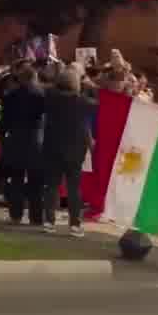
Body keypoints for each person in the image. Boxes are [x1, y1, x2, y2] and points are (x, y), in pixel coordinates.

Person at [42, 67, 94, 238]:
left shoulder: (50, 98)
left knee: (52, 186)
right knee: (74, 188)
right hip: (75, 150)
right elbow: (97, 102)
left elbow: (48, 89)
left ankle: (49, 222)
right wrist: (89, 84)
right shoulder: (83, 102)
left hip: (52, 147)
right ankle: (75, 225)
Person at [0, 62, 45, 225]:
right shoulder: (41, 95)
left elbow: (3, 122)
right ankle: (36, 216)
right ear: (34, 77)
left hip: (15, 141)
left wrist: (2, 138)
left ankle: (15, 214)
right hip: (35, 142)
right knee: (35, 182)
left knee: (16, 179)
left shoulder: (11, 96)